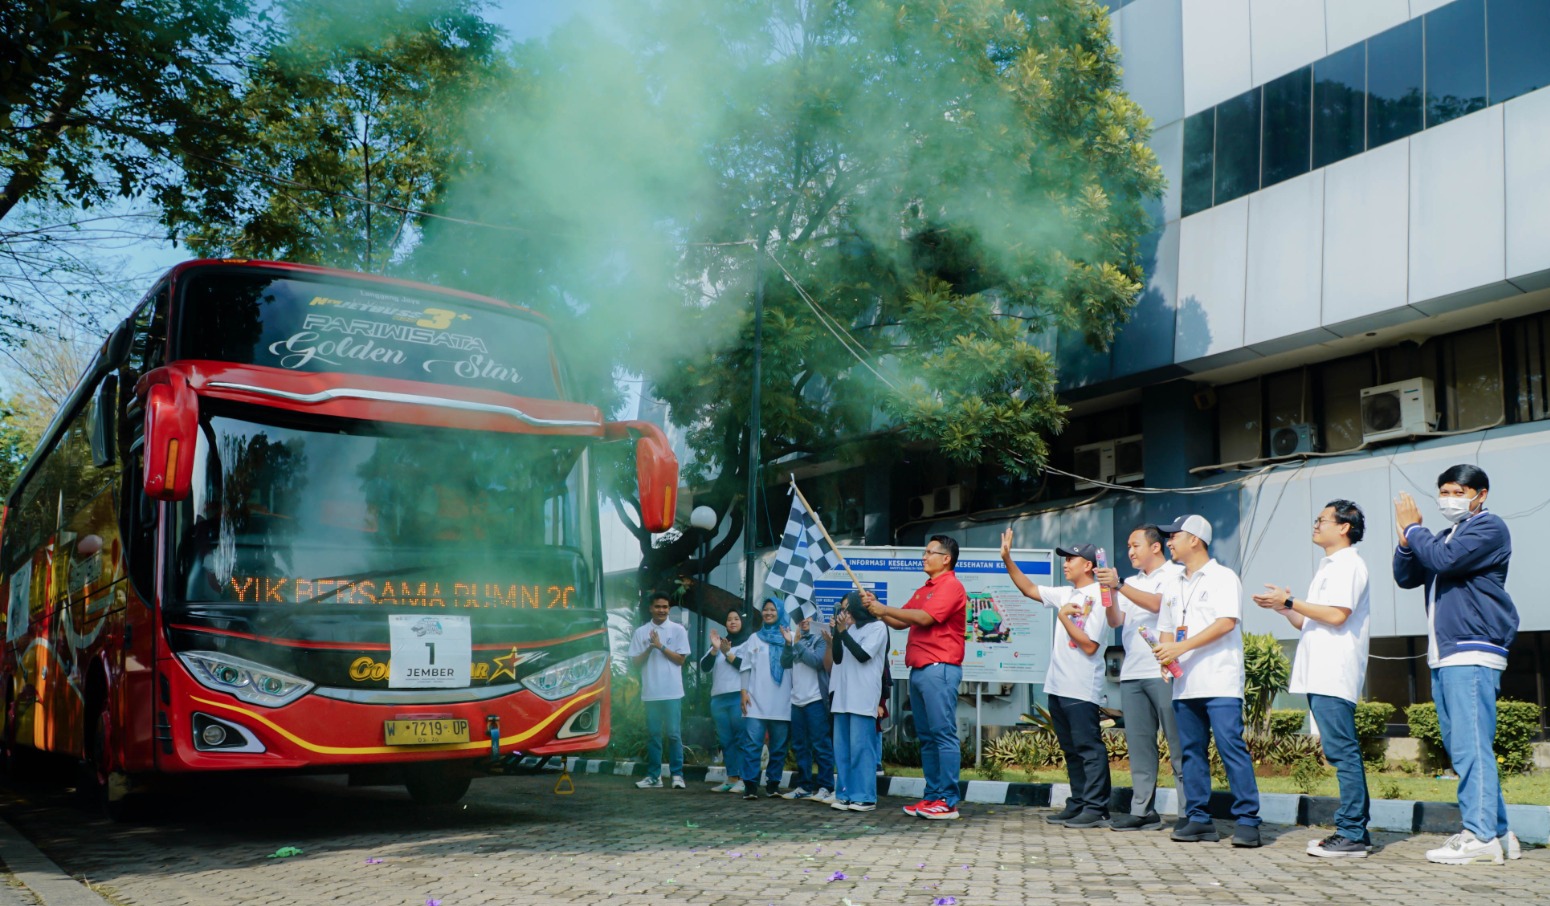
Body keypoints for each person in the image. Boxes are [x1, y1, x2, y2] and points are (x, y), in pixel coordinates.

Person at [1394, 465, 1522, 865]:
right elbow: (1407, 575)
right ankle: (1500, 833)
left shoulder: (1489, 528)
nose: (1448, 497)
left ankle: (1480, 836)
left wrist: (1416, 532)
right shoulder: (1446, 535)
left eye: (1457, 490)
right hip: (1445, 653)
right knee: (1462, 746)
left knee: (1471, 747)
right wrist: (1405, 540)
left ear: (1480, 494)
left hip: (1472, 648)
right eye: (1443, 491)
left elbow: (1444, 561)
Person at [1253, 499, 1373, 858]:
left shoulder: (1349, 564)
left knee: (1343, 752)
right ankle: (1352, 831)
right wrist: (1284, 608)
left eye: (1322, 520)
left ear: (1344, 527)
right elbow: (1309, 620)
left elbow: (1337, 615)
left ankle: (1353, 832)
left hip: (1334, 672)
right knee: (1338, 751)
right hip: (1319, 672)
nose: (1315, 525)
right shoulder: (1328, 566)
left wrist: (1291, 602)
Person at [1151, 514, 1263, 847]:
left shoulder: (1223, 578)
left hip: (1220, 681)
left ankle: (1247, 820)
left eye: (1174, 536)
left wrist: (1180, 646)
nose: (1169, 541)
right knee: (1191, 752)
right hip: (1185, 685)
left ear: (1195, 540)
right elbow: (1166, 629)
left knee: (1231, 747)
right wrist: (1165, 658)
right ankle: (1198, 818)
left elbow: (1226, 623)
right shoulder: (1172, 584)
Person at [1001, 531, 1112, 828]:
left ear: (1088, 565)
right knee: (1070, 749)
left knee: (1089, 748)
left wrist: (1063, 618)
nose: (1065, 563)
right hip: (1058, 685)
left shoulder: (1100, 599)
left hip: (1082, 686)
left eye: (1071, 558)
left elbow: (1090, 645)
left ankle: (1097, 806)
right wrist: (1007, 559)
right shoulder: (1066, 594)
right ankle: (1078, 802)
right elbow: (1028, 589)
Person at [863, 534, 967, 821]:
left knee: (942, 734)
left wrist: (884, 610)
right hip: (921, 671)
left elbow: (923, 619)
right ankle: (932, 796)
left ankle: (947, 800)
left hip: (939, 668)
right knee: (927, 737)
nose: (924, 556)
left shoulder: (951, 586)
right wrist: (878, 609)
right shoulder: (925, 589)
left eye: (930, 552)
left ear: (946, 558)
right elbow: (900, 621)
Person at [1094, 524, 1185, 832]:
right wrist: (1109, 594)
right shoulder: (1130, 583)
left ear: (1155, 547)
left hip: (1164, 670)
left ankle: (1190, 811)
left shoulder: (1175, 575)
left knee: (1178, 744)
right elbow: (1117, 621)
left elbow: (1158, 605)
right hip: (1133, 672)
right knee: (1139, 745)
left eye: (1135, 545)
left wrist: (1118, 585)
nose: (1130, 551)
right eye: (1128, 546)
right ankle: (1142, 810)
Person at [827, 591, 889, 811]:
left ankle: (865, 796)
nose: (846, 613)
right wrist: (838, 632)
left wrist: (843, 634)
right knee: (842, 749)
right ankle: (845, 794)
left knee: (862, 749)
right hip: (842, 697)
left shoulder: (879, 628)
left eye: (848, 609)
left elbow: (863, 655)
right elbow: (837, 657)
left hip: (862, 697)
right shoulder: (849, 629)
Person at [628, 592, 691, 789]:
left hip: (672, 692)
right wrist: (650, 647)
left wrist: (661, 646)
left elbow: (681, 660)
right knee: (654, 735)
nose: (662, 610)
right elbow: (636, 663)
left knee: (673, 734)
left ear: (669, 609)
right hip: (651, 692)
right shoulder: (641, 632)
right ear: (650, 608)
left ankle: (677, 775)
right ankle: (654, 777)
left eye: (665, 607)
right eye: (658, 607)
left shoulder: (678, 630)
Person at [739, 596, 794, 800]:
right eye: (765, 610)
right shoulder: (755, 638)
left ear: (780, 612)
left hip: (782, 701)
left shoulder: (790, 636)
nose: (769, 613)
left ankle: (773, 784)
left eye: (773, 610)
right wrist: (743, 692)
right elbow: (745, 667)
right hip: (756, 701)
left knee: (778, 747)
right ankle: (750, 785)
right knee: (752, 744)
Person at [780, 602, 836, 803]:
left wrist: (797, 644)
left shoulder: (821, 639)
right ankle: (804, 786)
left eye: (808, 616)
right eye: (800, 617)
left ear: (815, 618)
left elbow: (817, 662)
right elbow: (785, 663)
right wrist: (789, 644)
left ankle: (826, 786)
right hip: (797, 700)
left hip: (815, 700)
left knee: (821, 745)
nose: (804, 620)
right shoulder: (796, 639)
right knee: (800, 746)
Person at [699, 608, 754, 793]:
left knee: (741, 738)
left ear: (742, 622)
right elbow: (704, 667)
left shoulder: (748, 643)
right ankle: (731, 778)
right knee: (726, 740)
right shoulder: (718, 644)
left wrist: (728, 654)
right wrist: (715, 650)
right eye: (729, 619)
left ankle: (744, 779)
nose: (732, 622)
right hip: (718, 699)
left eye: (736, 619)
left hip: (738, 696)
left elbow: (746, 666)